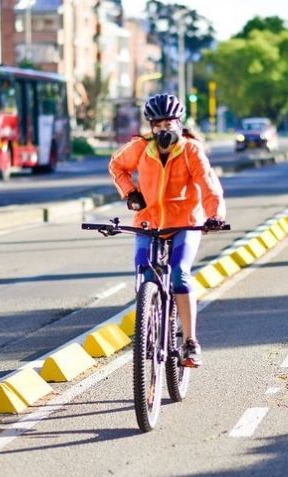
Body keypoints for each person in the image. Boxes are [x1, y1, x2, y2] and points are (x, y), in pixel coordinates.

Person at [108, 93, 226, 368]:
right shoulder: (140, 147)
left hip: (185, 222)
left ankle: (190, 341)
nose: (163, 130)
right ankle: (149, 320)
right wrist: (130, 192)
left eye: (169, 124)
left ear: (179, 124)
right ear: (151, 126)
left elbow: (208, 185)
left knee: (179, 274)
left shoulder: (191, 150)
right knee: (144, 271)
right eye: (158, 125)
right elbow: (117, 165)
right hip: (148, 222)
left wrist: (214, 216)